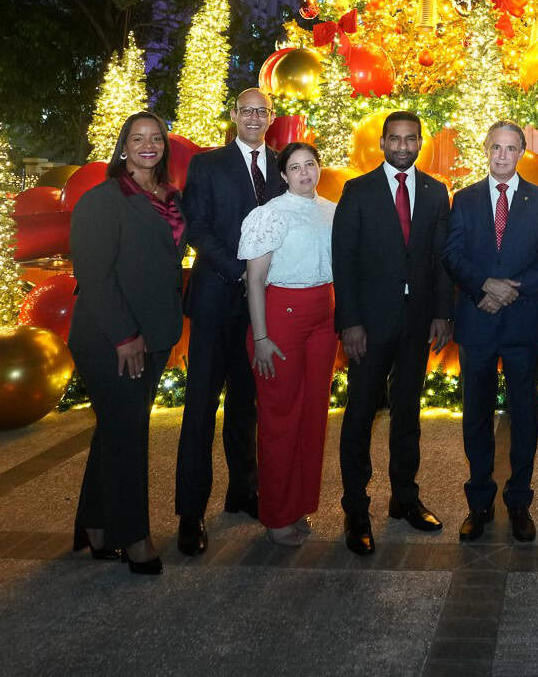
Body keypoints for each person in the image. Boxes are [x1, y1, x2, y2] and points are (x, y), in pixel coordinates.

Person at [68, 112, 185, 575]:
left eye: (156, 138)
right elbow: (93, 277)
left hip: (155, 332)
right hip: (110, 336)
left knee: (117, 428)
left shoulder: (170, 198)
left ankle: (96, 527)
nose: (148, 145)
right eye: (138, 138)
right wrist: (125, 336)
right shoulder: (103, 200)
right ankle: (134, 536)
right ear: (123, 146)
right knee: (128, 434)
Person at [332, 112, 453, 557]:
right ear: (382, 142)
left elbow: (442, 258)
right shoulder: (357, 191)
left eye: (411, 139)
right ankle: (356, 509)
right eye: (395, 139)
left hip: (418, 322)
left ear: (421, 141)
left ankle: (404, 497)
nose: (403, 146)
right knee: (361, 414)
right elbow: (342, 261)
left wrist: (443, 313)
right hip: (368, 325)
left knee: (407, 414)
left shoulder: (436, 191)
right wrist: (349, 322)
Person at [174, 88, 284, 556]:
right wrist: (244, 272)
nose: (255, 118)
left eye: (263, 111)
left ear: (271, 117)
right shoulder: (207, 164)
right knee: (201, 407)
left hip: (263, 311)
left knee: (247, 405)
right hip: (218, 300)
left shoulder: (284, 165)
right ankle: (190, 513)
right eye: (248, 111)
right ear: (235, 115)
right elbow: (196, 227)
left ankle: (243, 492)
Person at [443, 121, 538, 543]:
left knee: (524, 415)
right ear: (486, 149)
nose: (502, 156)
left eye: (510, 149)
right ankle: (479, 503)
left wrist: (512, 291)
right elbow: (452, 254)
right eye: (495, 147)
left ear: (522, 152)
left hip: (519, 324)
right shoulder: (465, 198)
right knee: (475, 415)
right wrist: (483, 287)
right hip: (477, 321)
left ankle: (518, 502)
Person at [238, 142, 337, 546]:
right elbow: (255, 282)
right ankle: (277, 514)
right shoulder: (269, 215)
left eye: (309, 165)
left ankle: (299, 506)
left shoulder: (332, 210)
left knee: (313, 414)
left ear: (318, 168)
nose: (303, 173)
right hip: (280, 318)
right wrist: (261, 337)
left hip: (324, 319)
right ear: (283, 175)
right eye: (294, 167)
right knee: (280, 418)